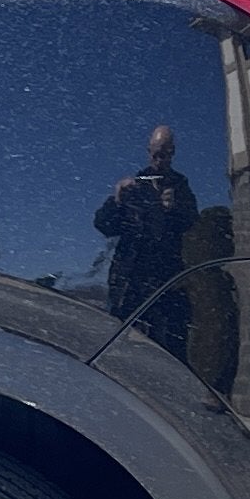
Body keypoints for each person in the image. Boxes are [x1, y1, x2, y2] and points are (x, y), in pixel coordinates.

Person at [94, 125, 203, 353]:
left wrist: (175, 208)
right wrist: (116, 201)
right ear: (148, 151)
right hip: (129, 280)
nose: (159, 159)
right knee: (117, 348)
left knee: (170, 349)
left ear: (172, 153)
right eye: (155, 153)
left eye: (165, 154)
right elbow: (104, 226)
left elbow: (192, 223)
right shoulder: (134, 186)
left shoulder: (180, 186)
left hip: (166, 281)